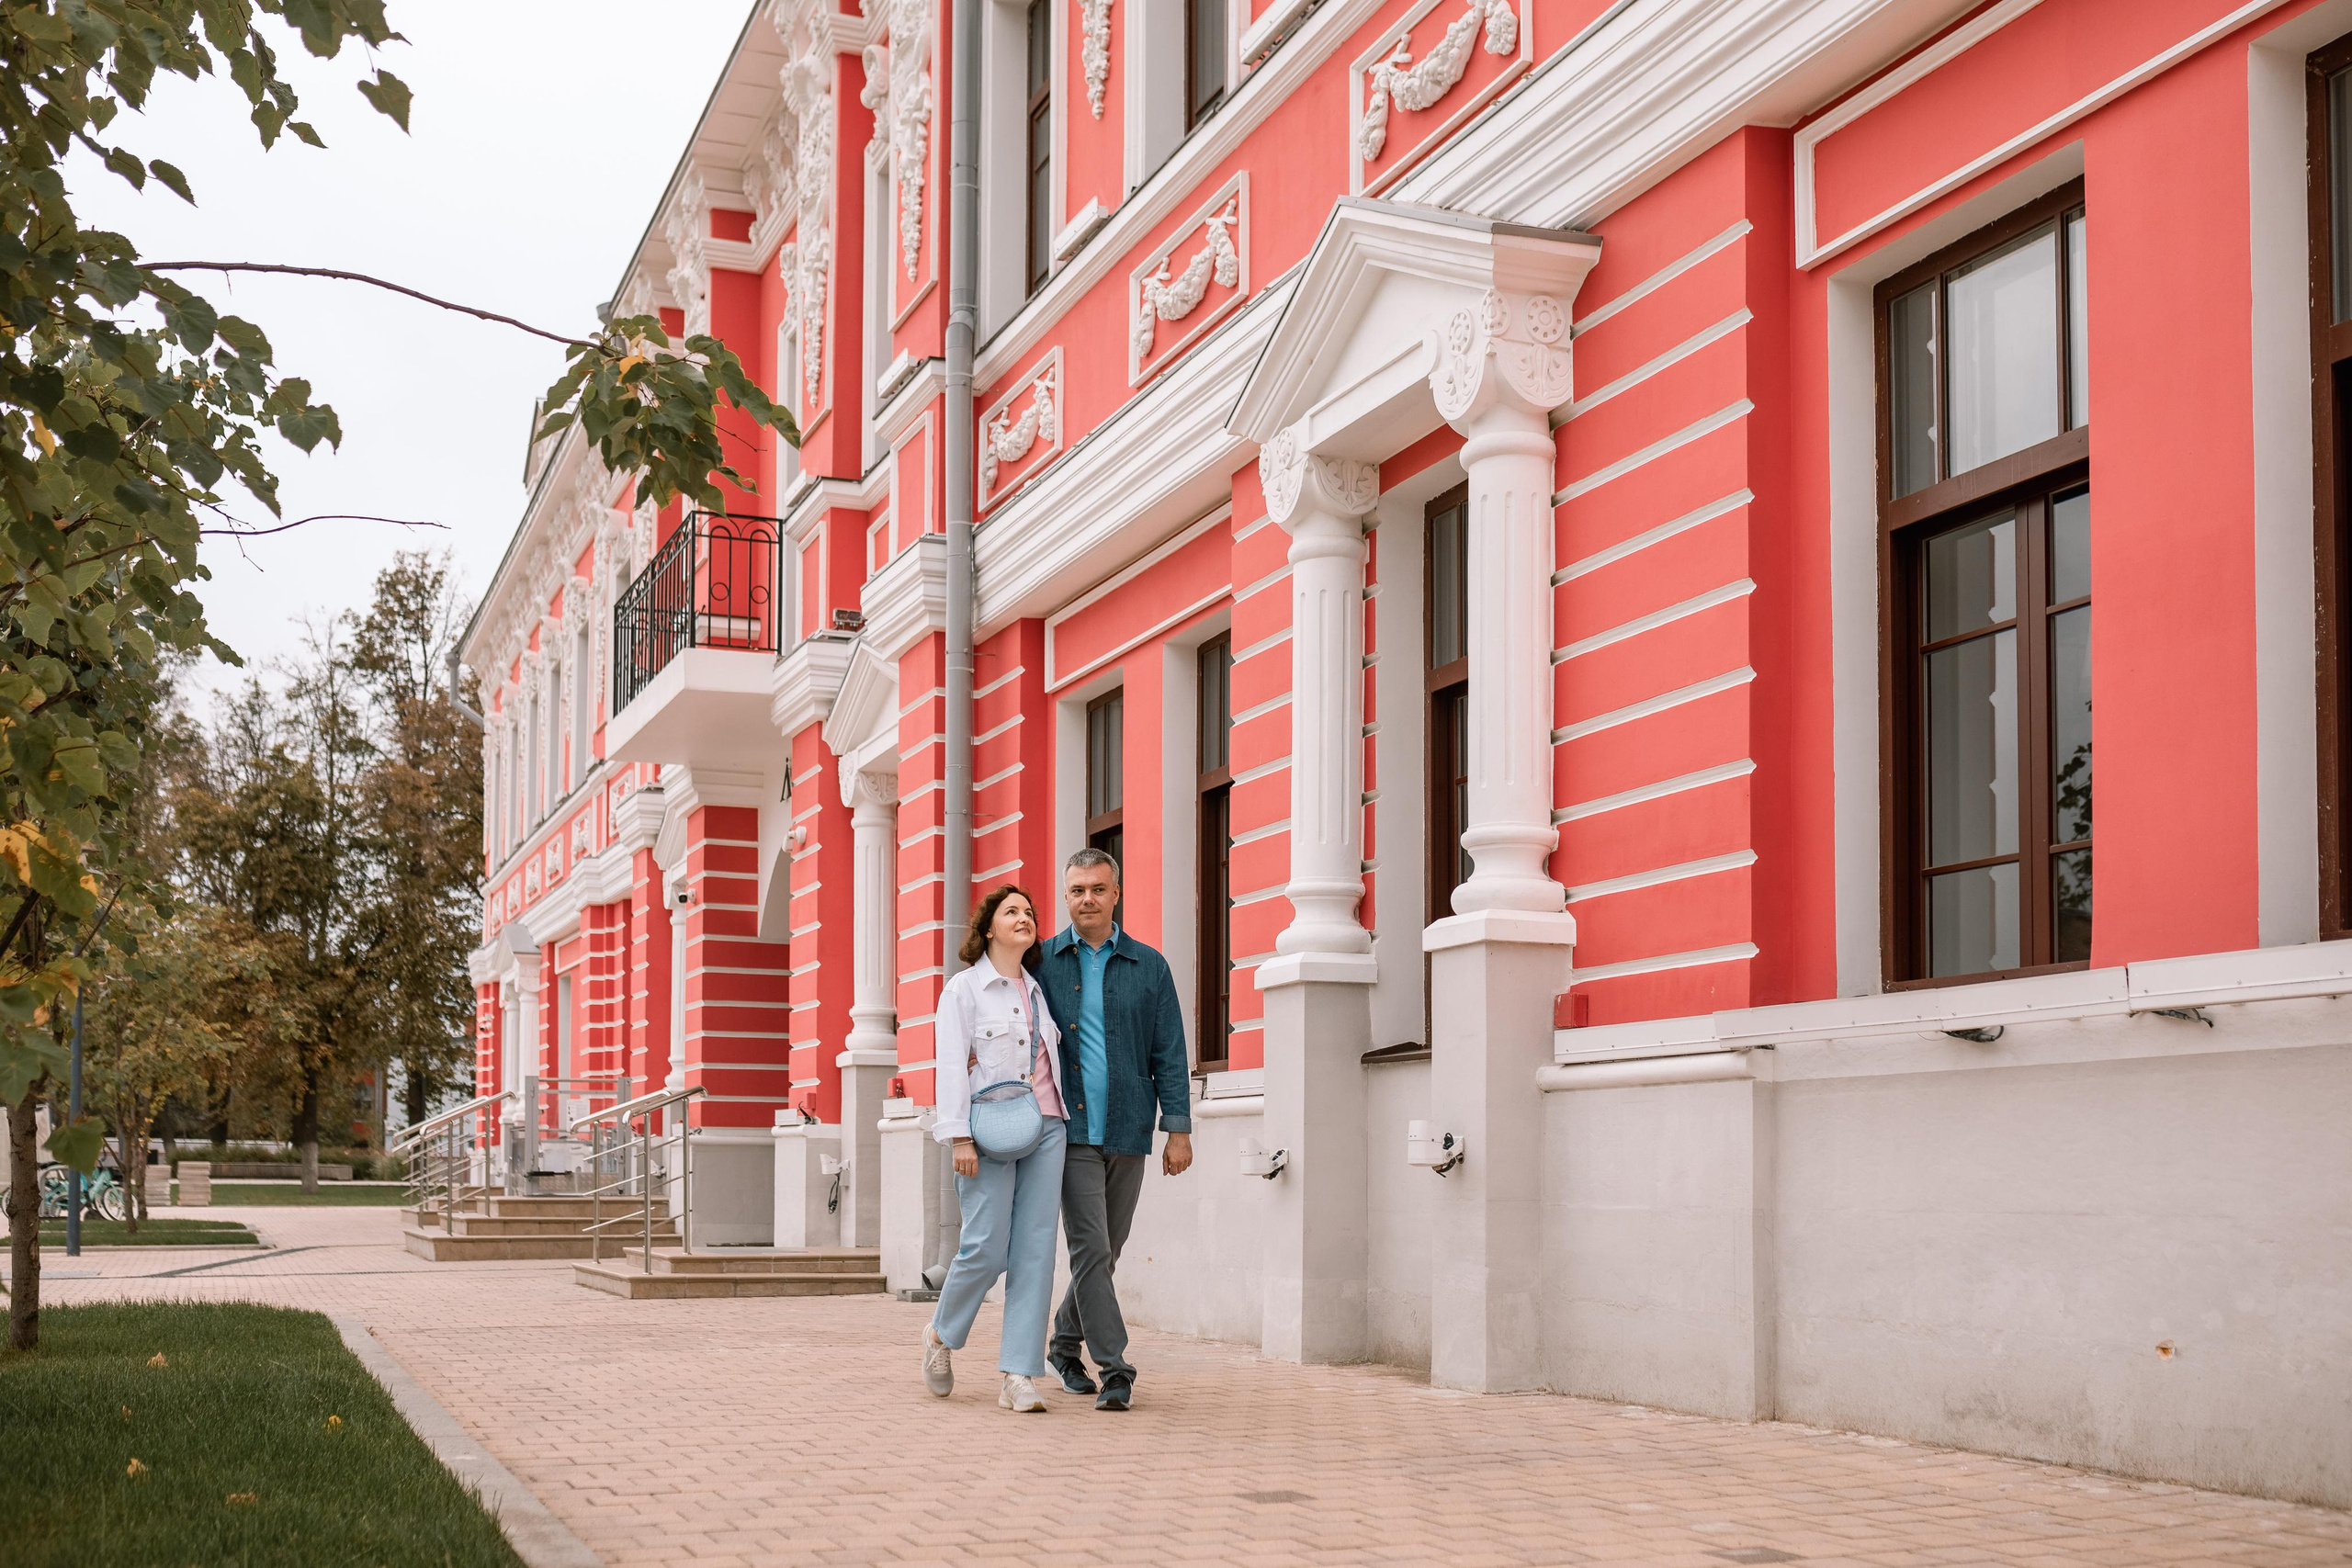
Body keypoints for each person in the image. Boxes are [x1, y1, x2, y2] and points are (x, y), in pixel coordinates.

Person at [1035, 848, 1193, 1411]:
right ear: (1066, 894)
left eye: (1098, 889)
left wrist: (1177, 1127)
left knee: (1106, 1251)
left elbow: (1170, 1051)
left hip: (1129, 1126)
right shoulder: (1042, 962)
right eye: (1077, 890)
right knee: (1090, 1248)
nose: (1087, 900)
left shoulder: (1149, 966)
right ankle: (1117, 1368)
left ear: (1116, 894)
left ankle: (1063, 1343)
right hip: (1069, 1130)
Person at [923, 884, 1069, 1413]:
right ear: (988, 927)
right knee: (985, 1245)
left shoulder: (1039, 988)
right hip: (985, 1131)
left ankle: (1018, 1375)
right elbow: (948, 1068)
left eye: (1029, 911)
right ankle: (941, 1336)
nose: (1024, 917)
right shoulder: (963, 991)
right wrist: (957, 1135)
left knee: (1035, 1251)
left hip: (1047, 1126)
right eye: (1012, 911)